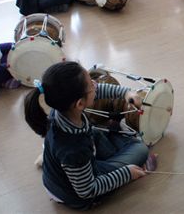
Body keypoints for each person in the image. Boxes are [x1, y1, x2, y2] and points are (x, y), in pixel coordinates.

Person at [24, 61, 157, 209]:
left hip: (64, 172)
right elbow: (87, 190)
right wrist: (127, 174)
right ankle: (114, 163)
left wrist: (126, 93)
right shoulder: (73, 150)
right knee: (140, 149)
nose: (95, 84)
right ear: (80, 104)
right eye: (91, 84)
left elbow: (98, 91)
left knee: (95, 132)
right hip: (76, 195)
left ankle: (63, 162)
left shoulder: (60, 110)